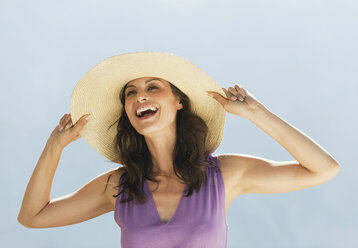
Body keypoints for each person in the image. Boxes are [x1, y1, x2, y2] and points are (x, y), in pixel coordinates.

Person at [17, 52, 340, 248]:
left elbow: (323, 169)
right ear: (128, 111)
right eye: (131, 93)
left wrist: (256, 113)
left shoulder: (225, 174)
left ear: (178, 101)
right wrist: (54, 146)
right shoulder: (119, 186)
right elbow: (33, 217)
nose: (139, 97)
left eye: (152, 88)